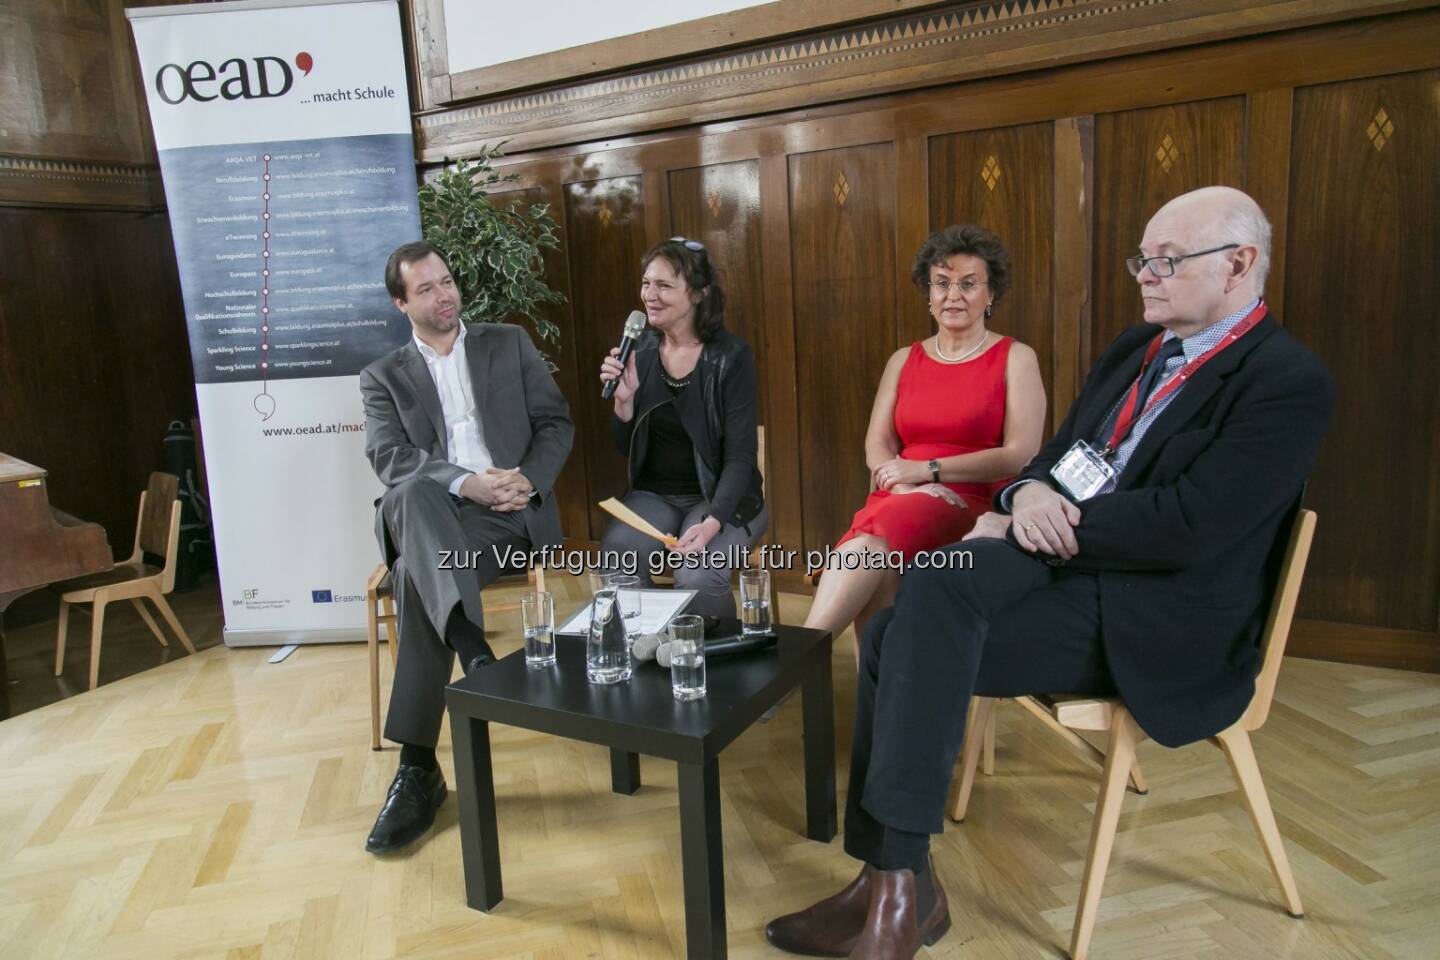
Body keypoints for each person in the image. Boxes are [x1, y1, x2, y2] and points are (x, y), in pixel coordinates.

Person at [764, 186, 1335, 958]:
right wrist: (1026, 493)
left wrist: (1047, 521)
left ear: (1239, 265)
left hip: (1159, 613)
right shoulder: (1136, 350)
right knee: (927, 588)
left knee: (901, 632)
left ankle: (895, 886)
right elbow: (1051, 458)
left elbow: (1192, 524)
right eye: (1144, 258)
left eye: (1167, 260)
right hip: (1066, 565)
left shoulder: (1286, 379)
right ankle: (895, 886)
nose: (1146, 274)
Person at [359, 240, 573, 854]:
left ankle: (416, 769)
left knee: (413, 574)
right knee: (411, 494)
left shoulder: (508, 342)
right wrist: (464, 482)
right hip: (444, 512)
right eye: (425, 289)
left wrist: (524, 480)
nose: (444, 294)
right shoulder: (382, 378)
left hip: (507, 517)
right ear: (401, 303)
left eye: (447, 281)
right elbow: (389, 457)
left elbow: (556, 422)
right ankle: (470, 647)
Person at [804, 225, 1045, 657]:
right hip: (899, 492)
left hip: (968, 499)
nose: (953, 295)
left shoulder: (1015, 357)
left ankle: (802, 653)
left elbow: (1021, 453)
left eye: (968, 284)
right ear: (928, 294)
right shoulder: (904, 358)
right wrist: (902, 485)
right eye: (942, 284)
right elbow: (875, 444)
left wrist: (928, 471)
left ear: (991, 295)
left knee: (875, 542)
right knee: (881, 560)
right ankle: (874, 701)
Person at [596, 237, 766, 619]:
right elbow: (627, 448)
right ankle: (647, 660)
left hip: (721, 498)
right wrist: (623, 403)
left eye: (664, 286)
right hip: (654, 496)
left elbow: (741, 456)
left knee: (699, 574)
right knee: (618, 561)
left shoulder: (730, 357)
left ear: (699, 293)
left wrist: (712, 524)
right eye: (646, 283)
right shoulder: (638, 352)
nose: (649, 295)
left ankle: (717, 667)